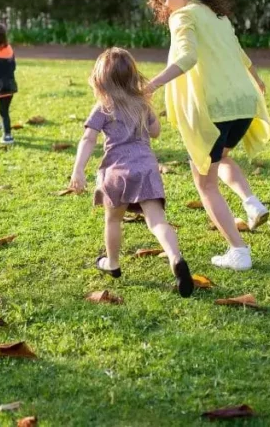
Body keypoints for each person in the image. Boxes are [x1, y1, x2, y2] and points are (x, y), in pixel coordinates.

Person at [143, 0, 270, 271]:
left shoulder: (183, 15)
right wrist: (257, 80)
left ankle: (238, 252)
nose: (165, 7)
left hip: (214, 109)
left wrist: (152, 84)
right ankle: (251, 203)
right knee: (221, 157)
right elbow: (240, 53)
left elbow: (186, 58)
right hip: (243, 104)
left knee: (205, 183)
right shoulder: (219, 17)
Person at [69, 48, 194, 298]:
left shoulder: (103, 106)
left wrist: (78, 170)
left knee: (113, 219)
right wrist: (149, 108)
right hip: (146, 168)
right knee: (157, 221)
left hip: (116, 171)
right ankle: (175, 257)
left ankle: (112, 263)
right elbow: (156, 132)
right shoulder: (141, 104)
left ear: (101, 80)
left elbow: (88, 138)